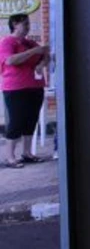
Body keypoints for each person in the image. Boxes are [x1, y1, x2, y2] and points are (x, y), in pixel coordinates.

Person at [0, 13, 50, 168]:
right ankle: (10, 157)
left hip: (35, 86)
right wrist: (34, 52)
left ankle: (27, 153)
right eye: (25, 24)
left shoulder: (30, 43)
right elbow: (10, 60)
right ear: (15, 24)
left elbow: (45, 54)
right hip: (16, 88)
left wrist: (42, 63)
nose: (28, 27)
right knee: (16, 122)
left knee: (31, 120)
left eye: (28, 24)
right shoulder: (7, 42)